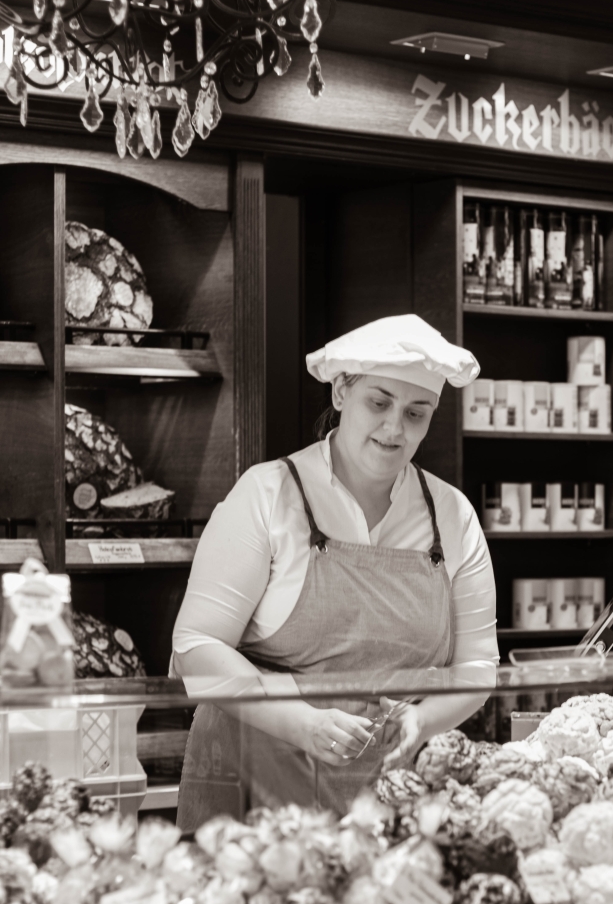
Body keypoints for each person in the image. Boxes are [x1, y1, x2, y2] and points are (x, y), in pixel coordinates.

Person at [173, 314, 498, 829]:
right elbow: (196, 647)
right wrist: (301, 723)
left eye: (417, 412)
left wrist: (423, 718)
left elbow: (478, 670)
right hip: (253, 802)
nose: (395, 428)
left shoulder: (452, 517)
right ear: (341, 392)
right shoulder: (269, 494)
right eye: (379, 402)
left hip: (387, 806)